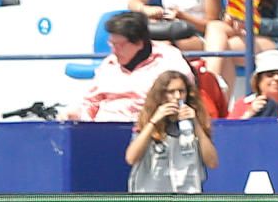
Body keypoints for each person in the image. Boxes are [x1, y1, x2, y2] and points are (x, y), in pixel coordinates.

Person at [62, 11, 192, 122]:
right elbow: (90, 103)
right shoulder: (109, 64)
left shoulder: (169, 59)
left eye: (119, 45)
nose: (114, 51)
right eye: (111, 44)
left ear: (139, 43)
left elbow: (185, 95)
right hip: (104, 130)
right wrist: (75, 114)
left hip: (148, 130)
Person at [125, 69, 218, 193]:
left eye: (181, 91)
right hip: (151, 201)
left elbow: (212, 162)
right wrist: (153, 122)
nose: (177, 97)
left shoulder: (196, 120)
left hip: (186, 201)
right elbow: (131, 158)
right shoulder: (147, 120)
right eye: (171, 92)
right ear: (161, 95)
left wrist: (196, 124)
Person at [228, 49, 278, 119]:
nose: (276, 78)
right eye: (270, 74)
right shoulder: (242, 105)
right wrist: (249, 114)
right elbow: (229, 129)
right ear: (258, 80)